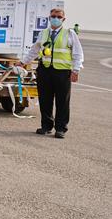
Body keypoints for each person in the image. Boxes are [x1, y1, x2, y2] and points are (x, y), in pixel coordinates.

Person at [18, 8, 83, 139]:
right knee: (45, 100)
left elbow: (77, 53)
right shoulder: (44, 33)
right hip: (45, 70)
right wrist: (23, 62)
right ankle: (46, 126)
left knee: (62, 101)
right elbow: (35, 50)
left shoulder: (69, 34)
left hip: (62, 72)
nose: (56, 18)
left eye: (59, 17)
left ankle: (61, 129)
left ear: (63, 19)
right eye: (53, 16)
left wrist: (76, 70)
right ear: (49, 18)